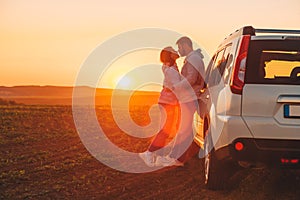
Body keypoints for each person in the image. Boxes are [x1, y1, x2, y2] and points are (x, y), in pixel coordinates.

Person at [158, 36, 205, 166]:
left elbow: (191, 78)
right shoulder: (193, 59)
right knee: (185, 128)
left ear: (185, 45)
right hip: (188, 97)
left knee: (184, 129)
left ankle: (178, 159)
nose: (179, 50)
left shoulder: (193, 59)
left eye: (179, 47)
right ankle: (177, 156)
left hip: (189, 97)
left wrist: (175, 87)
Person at [139, 46, 181, 167]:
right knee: (165, 130)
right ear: (170, 55)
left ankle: (158, 156)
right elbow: (177, 86)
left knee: (165, 129)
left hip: (167, 102)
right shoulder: (170, 70)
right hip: (168, 103)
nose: (176, 53)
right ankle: (149, 153)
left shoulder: (170, 67)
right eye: (173, 52)